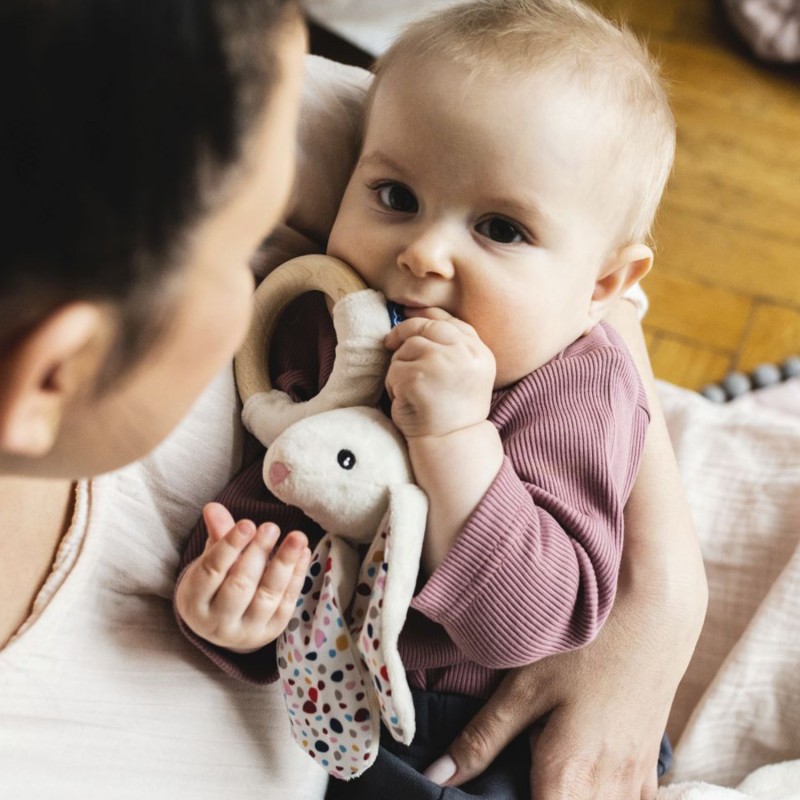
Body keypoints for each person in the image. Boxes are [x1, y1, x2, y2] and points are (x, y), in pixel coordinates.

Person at [0, 1, 705, 799]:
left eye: (500, 229)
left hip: (493, 729)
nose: (424, 251)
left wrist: (458, 441)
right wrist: (234, 610)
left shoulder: (581, 384)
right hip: (340, 710)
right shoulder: (329, 328)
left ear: (603, 287)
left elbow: (530, 620)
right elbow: (290, 493)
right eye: (396, 197)